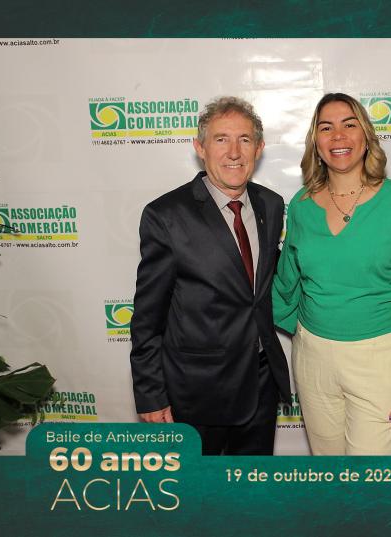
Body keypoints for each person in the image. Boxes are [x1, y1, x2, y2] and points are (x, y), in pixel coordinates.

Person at [272, 93, 391, 456]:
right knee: (329, 475)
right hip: (313, 359)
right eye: (326, 128)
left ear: (366, 137)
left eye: (349, 125)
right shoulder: (302, 205)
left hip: (380, 359)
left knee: (369, 479)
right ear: (316, 142)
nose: (338, 136)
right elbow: (286, 283)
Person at [129, 96, 291, 455]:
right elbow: (147, 318)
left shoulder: (271, 204)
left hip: (261, 384)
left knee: (253, 485)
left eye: (244, 140)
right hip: (197, 393)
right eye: (221, 139)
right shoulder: (165, 215)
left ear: (259, 148)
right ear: (200, 147)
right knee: (196, 488)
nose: (234, 152)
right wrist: (151, 394)